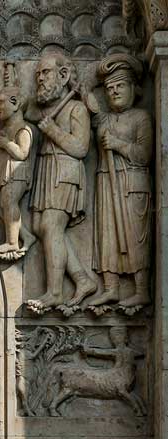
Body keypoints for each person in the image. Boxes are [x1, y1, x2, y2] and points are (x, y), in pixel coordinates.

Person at [29, 54, 97, 309]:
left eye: (45, 72)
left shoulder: (76, 108)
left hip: (65, 171)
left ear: (64, 76)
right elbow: (27, 108)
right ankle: (81, 278)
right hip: (48, 168)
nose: (40, 79)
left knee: (51, 225)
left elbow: (80, 148)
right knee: (39, 226)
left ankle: (55, 292)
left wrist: (53, 131)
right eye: (38, 75)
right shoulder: (48, 108)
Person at [88, 55, 152, 309]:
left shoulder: (141, 117)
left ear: (133, 89)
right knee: (108, 236)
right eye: (109, 88)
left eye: (119, 86)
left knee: (135, 237)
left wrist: (118, 144)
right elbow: (93, 110)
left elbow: (144, 154)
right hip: (107, 182)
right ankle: (111, 288)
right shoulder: (106, 118)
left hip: (132, 183)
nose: (113, 92)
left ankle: (141, 290)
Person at [0, 83, 35, 260]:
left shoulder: (23, 129)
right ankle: (26, 236)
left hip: (16, 172)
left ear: (15, 103)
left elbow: (23, 153)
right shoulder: (7, 128)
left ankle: (12, 242)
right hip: (3, 169)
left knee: (9, 201)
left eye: (1, 102)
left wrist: (7, 144)